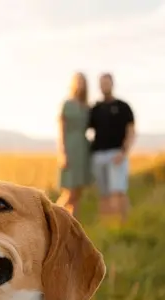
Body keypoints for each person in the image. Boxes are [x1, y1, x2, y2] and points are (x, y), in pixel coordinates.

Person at [88, 73, 135, 223]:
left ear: (112, 84)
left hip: (117, 154)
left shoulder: (123, 107)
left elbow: (131, 131)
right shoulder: (95, 109)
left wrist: (124, 152)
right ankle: (106, 225)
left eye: (107, 83)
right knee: (104, 194)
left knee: (119, 191)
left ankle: (126, 223)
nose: (104, 86)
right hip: (98, 156)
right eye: (102, 83)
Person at [55, 72, 92, 218]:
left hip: (83, 149)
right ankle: (51, 218)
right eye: (78, 81)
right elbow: (61, 129)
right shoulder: (67, 104)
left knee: (77, 192)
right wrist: (62, 152)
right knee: (69, 192)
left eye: (83, 82)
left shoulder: (86, 107)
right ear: (73, 84)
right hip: (70, 147)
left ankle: (72, 226)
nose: (80, 84)